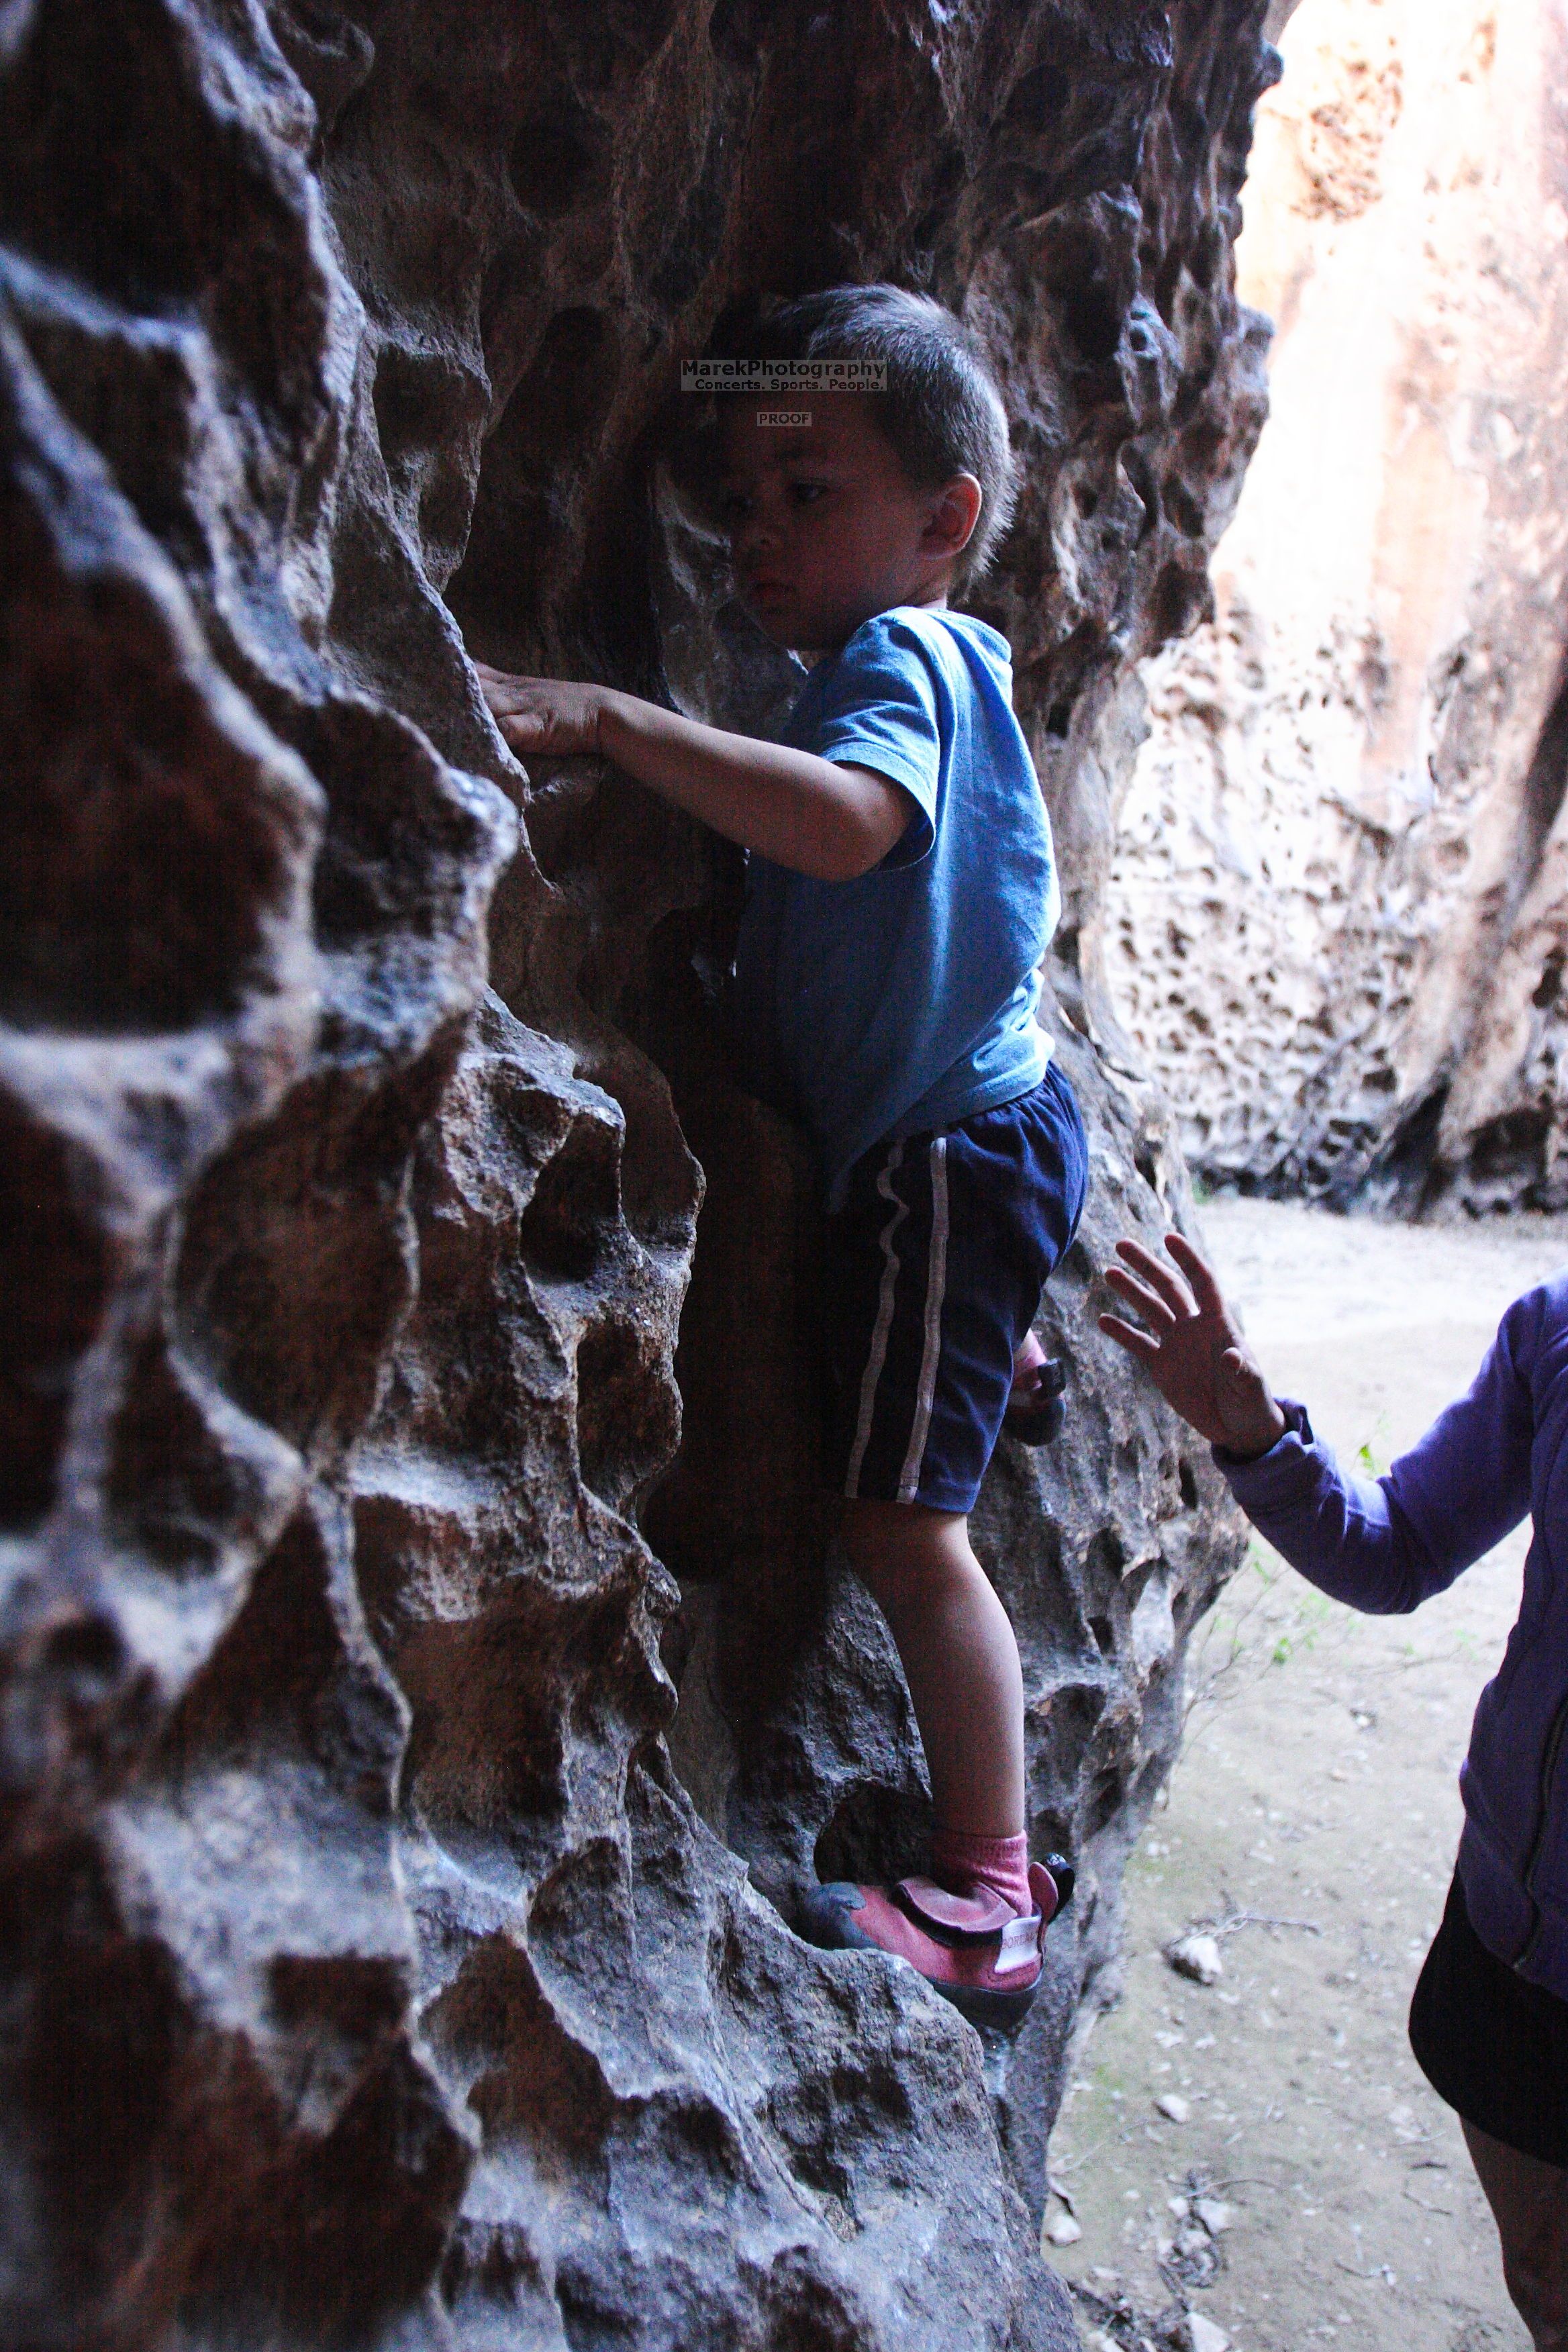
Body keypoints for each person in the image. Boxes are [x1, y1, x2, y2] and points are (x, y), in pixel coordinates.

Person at [475, 285, 1085, 2030]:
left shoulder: (896, 663)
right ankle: (995, 1349)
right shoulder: (921, 666)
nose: (758, 534)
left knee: (905, 1532)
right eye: (739, 502)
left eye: (806, 491)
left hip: (947, 1161)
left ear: (944, 520)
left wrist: (607, 718)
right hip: (974, 1135)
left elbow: (844, 830)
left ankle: (984, 1890)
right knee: (909, 1405)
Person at [1099, 1227, 1568, 2351]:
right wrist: (1253, 1435)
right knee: (1549, 2288)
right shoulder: (1554, 1332)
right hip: (1506, 1939)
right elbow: (1398, 1546)